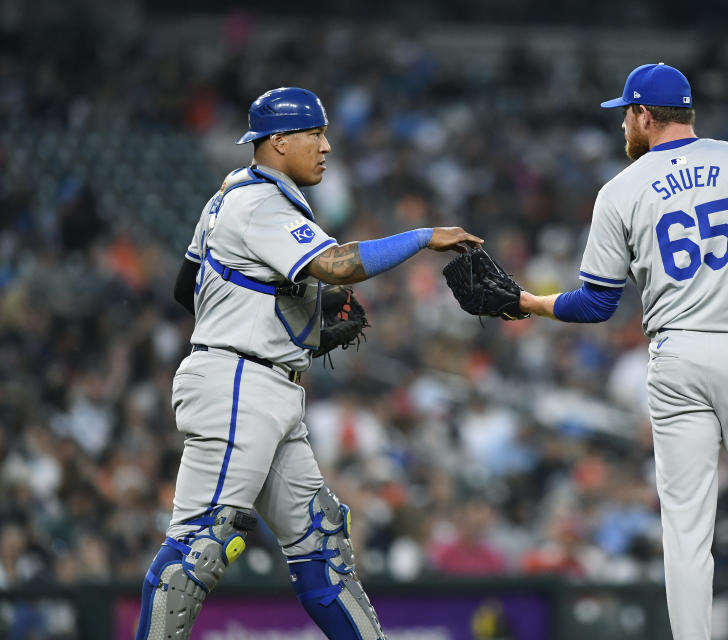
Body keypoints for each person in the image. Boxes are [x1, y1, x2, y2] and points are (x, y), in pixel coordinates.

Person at [135, 87, 482, 640]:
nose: (325, 146)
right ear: (277, 142)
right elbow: (337, 265)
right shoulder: (259, 202)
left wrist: (295, 324)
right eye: (314, 134)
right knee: (199, 547)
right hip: (237, 387)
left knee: (321, 544)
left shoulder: (231, 194)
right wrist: (421, 237)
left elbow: (188, 288)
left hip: (266, 385)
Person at [517, 63, 728, 639]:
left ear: (644, 115)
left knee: (686, 526)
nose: (623, 127)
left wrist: (531, 302)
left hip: (677, 356)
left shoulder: (621, 190)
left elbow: (596, 305)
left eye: (625, 115)